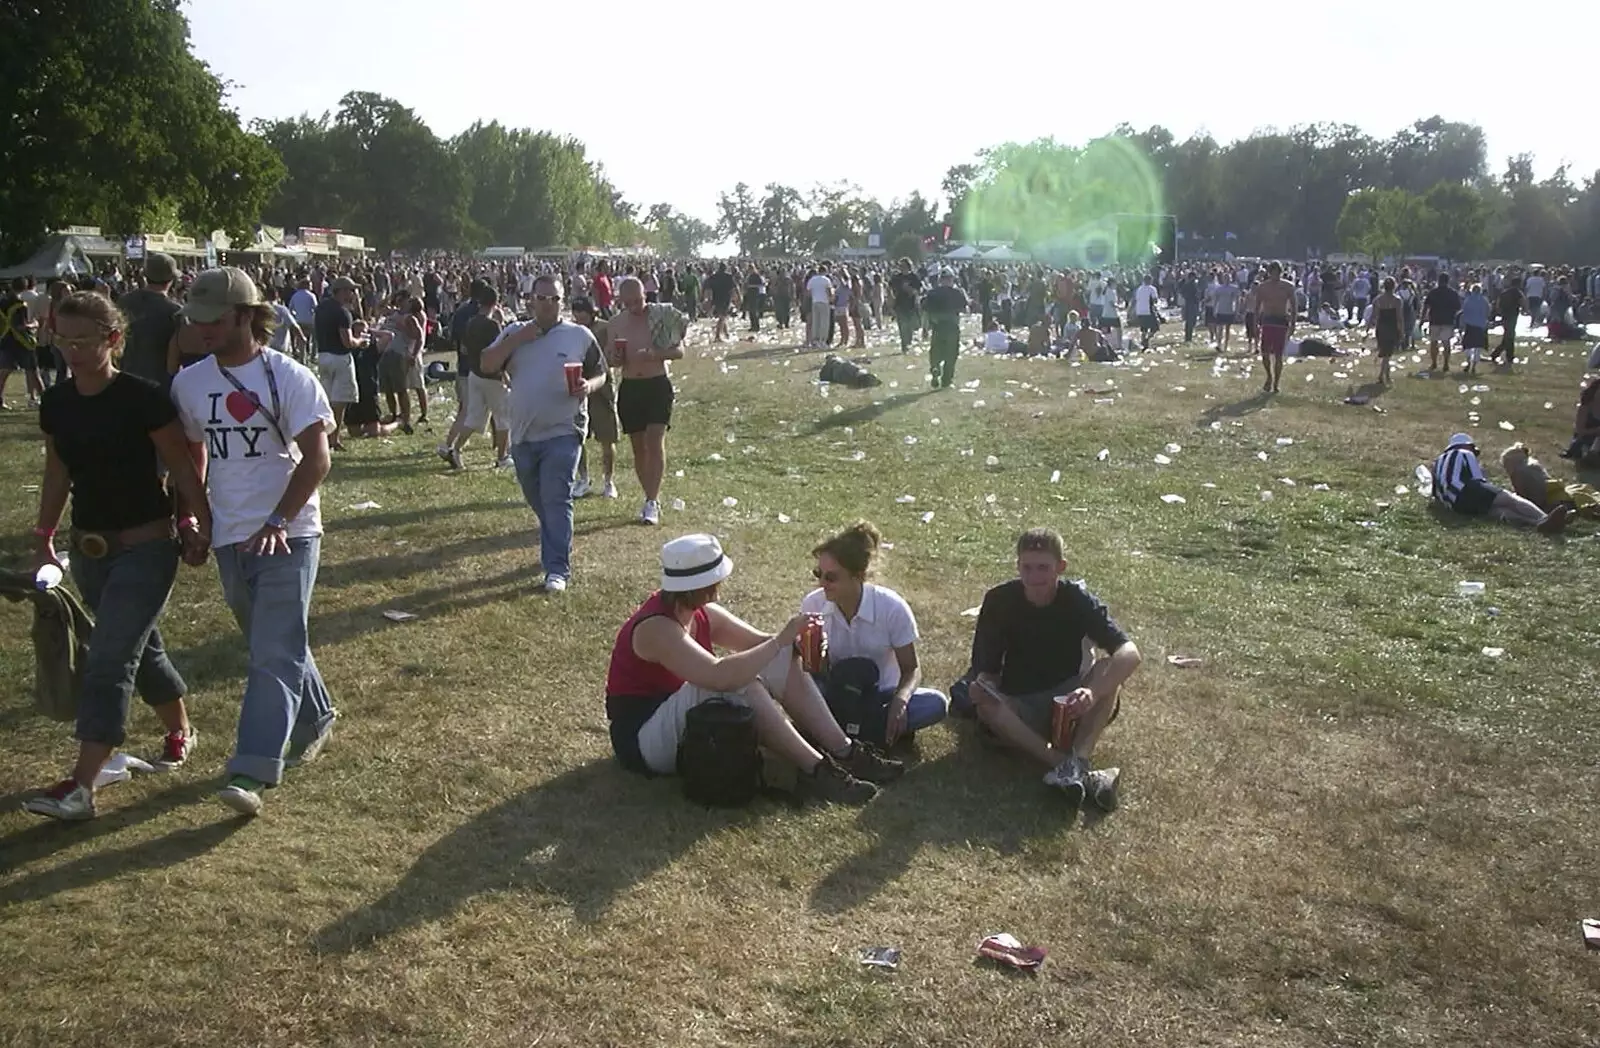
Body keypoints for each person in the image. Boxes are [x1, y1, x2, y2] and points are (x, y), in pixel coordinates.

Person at [22, 291, 211, 821]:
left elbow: (182, 465)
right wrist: (44, 533)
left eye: (84, 341)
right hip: (90, 551)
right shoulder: (56, 402)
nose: (73, 351)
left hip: (147, 548)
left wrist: (198, 523)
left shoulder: (143, 397)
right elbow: (57, 471)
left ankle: (81, 787)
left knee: (108, 657)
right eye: (63, 340)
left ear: (113, 339)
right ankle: (180, 730)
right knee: (139, 647)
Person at [169, 267, 339, 816]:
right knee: (276, 642)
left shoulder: (289, 377)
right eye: (195, 320)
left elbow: (317, 459)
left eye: (213, 319)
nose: (201, 329)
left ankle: (252, 769)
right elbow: (191, 454)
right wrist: (193, 519)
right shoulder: (190, 384)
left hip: (290, 534)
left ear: (245, 315)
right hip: (228, 533)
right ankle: (316, 716)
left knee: (272, 651)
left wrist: (278, 522)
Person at [604, 533, 901, 804]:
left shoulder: (700, 612)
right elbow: (718, 676)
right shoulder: (656, 627)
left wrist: (794, 645)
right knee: (739, 682)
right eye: (712, 585)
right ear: (695, 586)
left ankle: (845, 751)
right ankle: (817, 771)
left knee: (777, 657)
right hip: (642, 741)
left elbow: (764, 646)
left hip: (681, 720)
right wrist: (780, 641)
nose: (717, 594)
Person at [949, 528, 1142, 809]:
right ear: (1017, 567)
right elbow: (986, 669)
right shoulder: (999, 601)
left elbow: (1130, 653)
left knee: (1109, 673)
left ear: (1060, 568)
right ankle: (1068, 766)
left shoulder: (1076, 599)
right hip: (1018, 699)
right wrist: (983, 688)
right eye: (1027, 567)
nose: (1034, 577)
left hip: (1068, 699)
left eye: (1043, 568)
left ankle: (1079, 757)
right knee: (987, 706)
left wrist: (1090, 692)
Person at [478, 274, 606, 592]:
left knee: (556, 496)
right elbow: (487, 364)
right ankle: (556, 540)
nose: (549, 304)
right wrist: (518, 340)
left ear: (563, 301)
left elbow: (601, 371)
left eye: (555, 299)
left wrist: (588, 386)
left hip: (565, 429)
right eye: (542, 298)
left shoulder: (579, 335)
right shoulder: (513, 331)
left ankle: (557, 570)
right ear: (530, 299)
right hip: (523, 433)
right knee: (539, 499)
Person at [800, 521, 948, 748]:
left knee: (935, 703)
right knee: (806, 692)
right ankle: (874, 731)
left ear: (857, 576)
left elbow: (911, 669)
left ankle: (844, 730)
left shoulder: (891, 607)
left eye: (831, 577)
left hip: (882, 695)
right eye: (818, 574)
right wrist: (814, 656)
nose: (822, 583)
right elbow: (813, 673)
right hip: (837, 692)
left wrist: (900, 702)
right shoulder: (814, 604)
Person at [601, 276, 687, 526]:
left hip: (657, 383)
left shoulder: (659, 317)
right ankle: (647, 494)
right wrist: (615, 357)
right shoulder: (616, 323)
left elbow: (679, 350)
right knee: (638, 446)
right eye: (628, 303)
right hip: (631, 386)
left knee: (654, 439)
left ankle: (652, 500)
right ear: (621, 301)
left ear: (645, 295)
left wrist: (654, 354)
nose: (635, 307)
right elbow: (610, 357)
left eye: (638, 301)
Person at [1431, 432, 1571, 533]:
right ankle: (1544, 518)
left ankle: (1535, 524)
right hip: (1468, 489)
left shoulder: (1437, 462)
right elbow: (1477, 477)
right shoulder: (1464, 453)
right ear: (1467, 445)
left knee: (1498, 511)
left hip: (1454, 504)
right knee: (1510, 499)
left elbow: (1434, 490)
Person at [313, 276, 371, 450]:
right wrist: (360, 341)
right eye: (351, 290)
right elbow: (347, 342)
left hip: (323, 356)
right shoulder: (342, 312)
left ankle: (323, 437)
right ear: (343, 291)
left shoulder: (321, 308)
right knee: (339, 402)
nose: (354, 294)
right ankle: (333, 438)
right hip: (340, 358)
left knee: (326, 400)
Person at [569, 296, 618, 499]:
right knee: (578, 437)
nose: (578, 315)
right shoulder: (572, 332)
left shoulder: (605, 328)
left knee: (607, 437)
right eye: (575, 311)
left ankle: (609, 481)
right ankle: (583, 478)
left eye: (582, 311)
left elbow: (612, 355)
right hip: (579, 386)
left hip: (602, 387)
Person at [115, 253, 182, 387]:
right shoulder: (175, 312)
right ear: (171, 279)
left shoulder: (123, 302)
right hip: (159, 387)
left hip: (124, 382)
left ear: (145, 276)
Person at [377, 296, 427, 433]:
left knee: (401, 389)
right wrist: (387, 297)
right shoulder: (393, 314)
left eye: (406, 301)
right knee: (387, 389)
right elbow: (379, 307)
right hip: (384, 354)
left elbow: (419, 336)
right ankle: (393, 414)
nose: (402, 303)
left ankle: (405, 418)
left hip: (398, 354)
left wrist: (414, 354)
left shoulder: (409, 318)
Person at [0, 276, 43, 409]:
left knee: (4, 372)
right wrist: (34, 324)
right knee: (32, 371)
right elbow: (21, 325)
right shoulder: (20, 304)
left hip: (5, 340)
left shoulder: (2, 302)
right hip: (22, 341)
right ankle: (39, 398)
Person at [1253, 262, 1296, 394]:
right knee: (1265, 353)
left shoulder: (1288, 287)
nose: (1275, 275)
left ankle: (1276, 383)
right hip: (1267, 321)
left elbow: (1294, 307)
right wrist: (1255, 324)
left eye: (1277, 272)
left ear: (1281, 272)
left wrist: (1293, 324)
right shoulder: (1262, 287)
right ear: (1269, 272)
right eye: (1273, 272)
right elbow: (1257, 306)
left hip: (1280, 321)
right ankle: (1269, 377)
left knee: (1278, 355)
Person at [922, 269, 969, 389]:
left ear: (940, 280)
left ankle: (935, 368)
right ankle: (946, 380)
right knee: (951, 355)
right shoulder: (958, 292)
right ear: (952, 279)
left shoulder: (932, 293)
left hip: (937, 327)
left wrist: (925, 329)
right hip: (952, 327)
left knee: (935, 352)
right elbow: (965, 309)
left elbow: (926, 312)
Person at [1421, 273, 1463, 374]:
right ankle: (1446, 364)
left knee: (1434, 343)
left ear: (1438, 281)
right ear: (1448, 281)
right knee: (1446, 343)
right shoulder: (1453, 293)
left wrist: (1422, 319)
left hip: (1435, 320)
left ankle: (1434, 363)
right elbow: (1458, 307)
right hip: (1448, 320)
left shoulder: (1433, 292)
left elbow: (1426, 306)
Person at [889, 259, 922, 353]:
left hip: (911, 305)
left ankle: (909, 342)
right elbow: (890, 287)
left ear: (908, 266)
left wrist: (910, 289)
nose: (901, 267)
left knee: (910, 326)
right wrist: (891, 299)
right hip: (900, 305)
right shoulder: (896, 277)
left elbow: (919, 290)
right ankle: (904, 346)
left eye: (903, 265)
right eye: (900, 265)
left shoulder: (914, 277)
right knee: (902, 326)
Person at [706, 262, 736, 342]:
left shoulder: (713, 277)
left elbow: (708, 289)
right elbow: (733, 289)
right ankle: (717, 336)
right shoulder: (729, 277)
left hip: (716, 298)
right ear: (725, 268)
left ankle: (727, 334)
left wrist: (708, 300)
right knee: (723, 317)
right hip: (726, 298)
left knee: (722, 316)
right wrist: (737, 298)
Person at [805, 264, 834, 349]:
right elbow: (829, 291)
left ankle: (815, 340)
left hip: (815, 302)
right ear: (825, 271)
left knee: (816, 321)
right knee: (824, 322)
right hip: (824, 302)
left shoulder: (812, 280)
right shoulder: (826, 280)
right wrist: (831, 299)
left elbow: (808, 292)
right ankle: (823, 341)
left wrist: (814, 296)